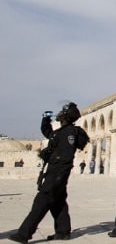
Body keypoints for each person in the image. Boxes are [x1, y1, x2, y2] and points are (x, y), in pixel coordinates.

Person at [10, 102, 89, 243]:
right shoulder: (61, 131)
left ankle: (24, 234)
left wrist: (59, 176)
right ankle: (63, 232)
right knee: (58, 202)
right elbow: (49, 134)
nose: (59, 113)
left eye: (62, 112)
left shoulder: (69, 132)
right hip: (55, 171)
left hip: (57, 173)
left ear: (66, 116)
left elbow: (66, 156)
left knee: (41, 201)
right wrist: (45, 119)